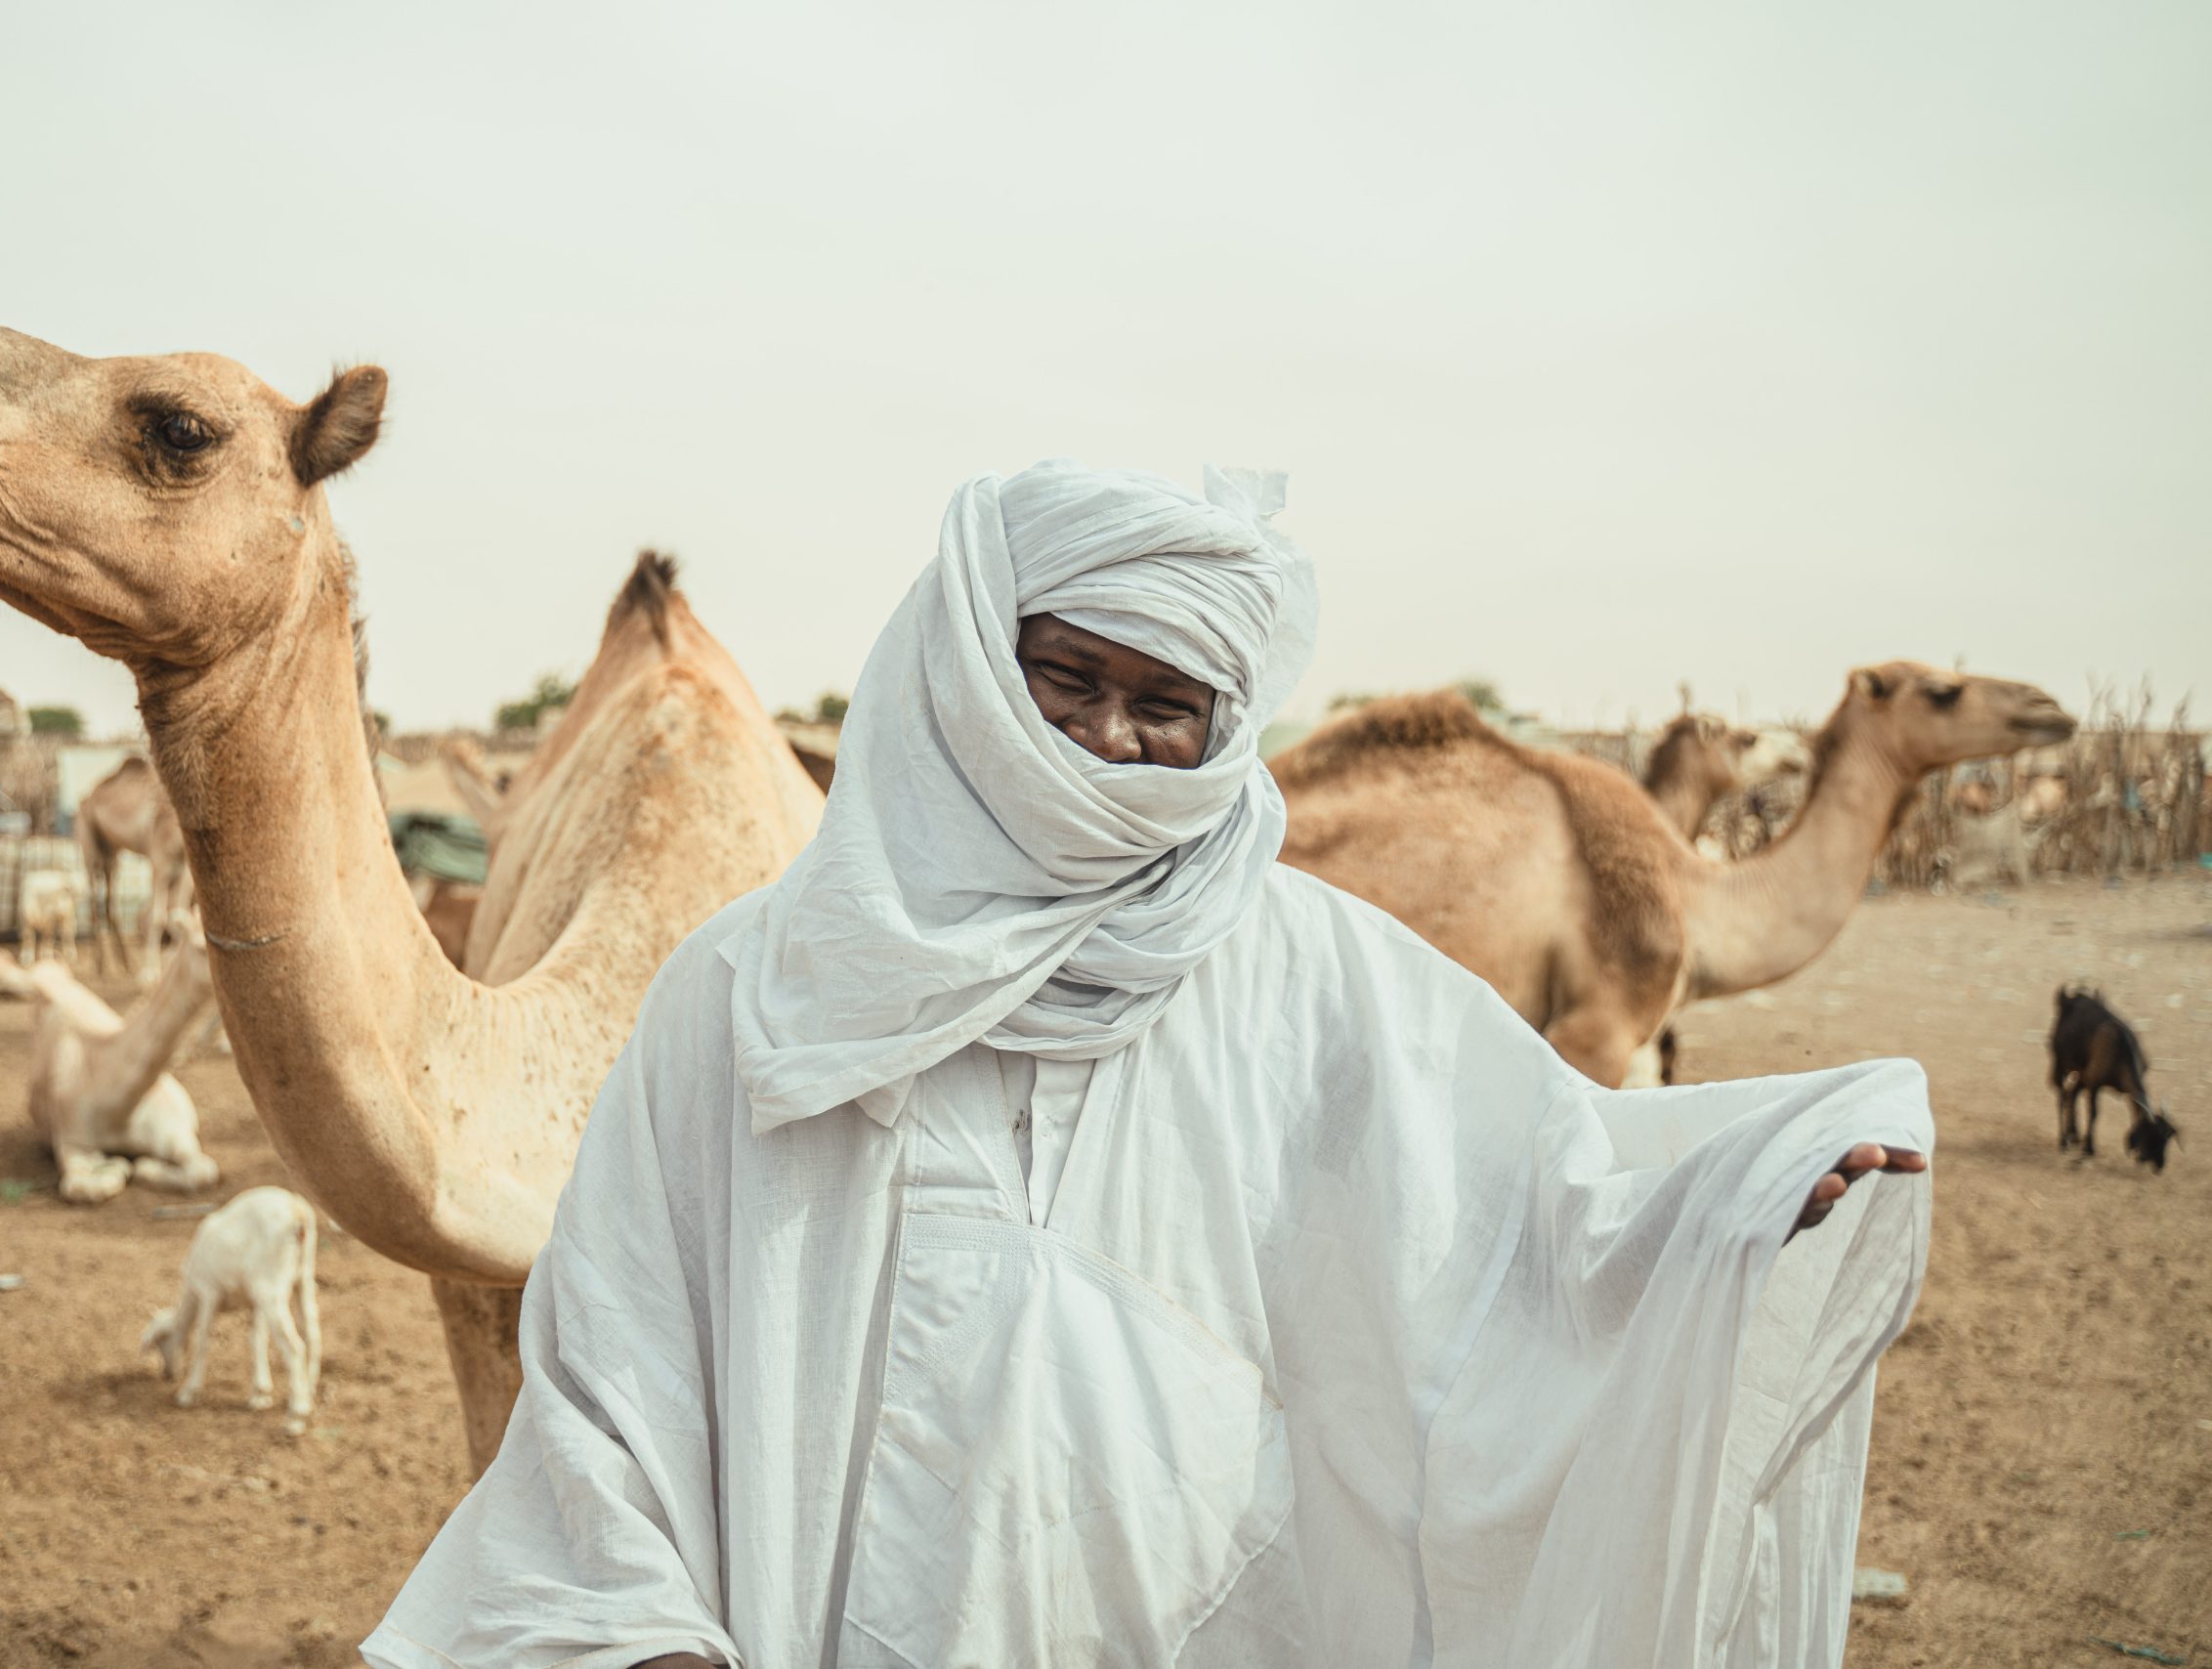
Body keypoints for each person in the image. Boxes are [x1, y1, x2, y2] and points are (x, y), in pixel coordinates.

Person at [363, 461, 1932, 1669]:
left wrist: (1729, 1211)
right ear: (978, 671)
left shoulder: (1302, 966)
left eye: (1166, 704)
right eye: (1069, 681)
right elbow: (611, 1363)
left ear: (1225, 724)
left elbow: (1528, 1209)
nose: (1110, 740)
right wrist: (641, 1626)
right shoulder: (755, 996)